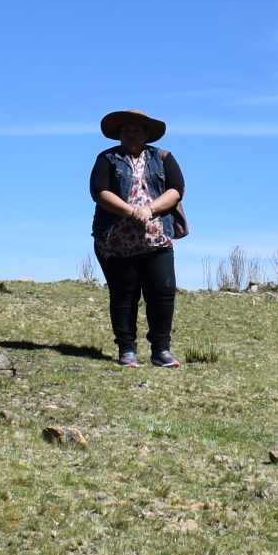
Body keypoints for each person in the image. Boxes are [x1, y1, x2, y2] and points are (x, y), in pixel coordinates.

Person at [89, 110, 184, 367]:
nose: (131, 134)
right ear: (119, 135)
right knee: (124, 295)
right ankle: (127, 349)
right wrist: (131, 211)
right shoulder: (107, 159)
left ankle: (161, 350)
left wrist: (150, 209)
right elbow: (99, 191)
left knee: (162, 294)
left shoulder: (163, 158)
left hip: (157, 240)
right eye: (126, 130)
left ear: (146, 135)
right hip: (116, 242)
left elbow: (176, 190)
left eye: (137, 130)